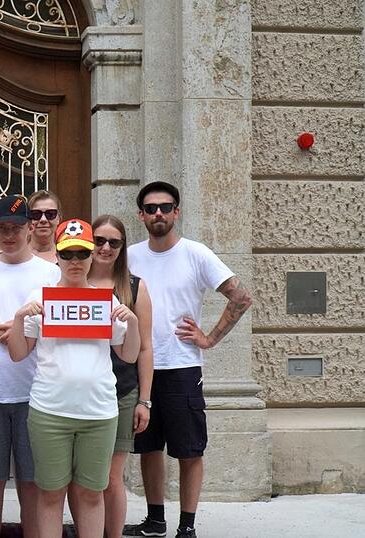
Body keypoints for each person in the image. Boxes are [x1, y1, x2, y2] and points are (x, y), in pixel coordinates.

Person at [124, 182, 252, 538]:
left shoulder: (196, 254)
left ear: (177, 212)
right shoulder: (130, 255)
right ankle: (155, 520)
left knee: (189, 450)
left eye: (166, 207)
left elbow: (240, 296)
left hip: (181, 366)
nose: (158, 214)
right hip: (140, 367)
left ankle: (187, 525)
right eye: (151, 209)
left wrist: (209, 338)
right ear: (141, 215)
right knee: (148, 448)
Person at [7, 219, 140, 538]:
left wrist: (131, 321)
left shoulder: (107, 300)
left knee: (92, 494)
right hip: (50, 411)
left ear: (93, 254)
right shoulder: (40, 297)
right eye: (68, 254)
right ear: (57, 255)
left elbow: (129, 355)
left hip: (98, 412)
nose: (76, 261)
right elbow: (17, 353)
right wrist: (18, 317)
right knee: (51, 494)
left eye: (82, 253)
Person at [0, 195, 60, 538]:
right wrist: (3, 329)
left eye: (16, 228)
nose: (9, 235)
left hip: (36, 390)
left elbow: (56, 323)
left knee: (32, 479)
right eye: (2, 228)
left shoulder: (50, 272)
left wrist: (16, 329)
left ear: (29, 228)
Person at [86, 215, 154, 538]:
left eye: (114, 242)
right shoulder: (73, 281)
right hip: (80, 394)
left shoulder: (135, 287)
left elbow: (145, 348)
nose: (105, 247)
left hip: (122, 392)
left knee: (112, 478)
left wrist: (145, 400)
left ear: (122, 247)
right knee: (85, 479)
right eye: (99, 240)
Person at [27, 190, 63, 264]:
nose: (43, 220)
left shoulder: (67, 256)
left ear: (58, 218)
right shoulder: (16, 257)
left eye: (50, 214)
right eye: (36, 214)